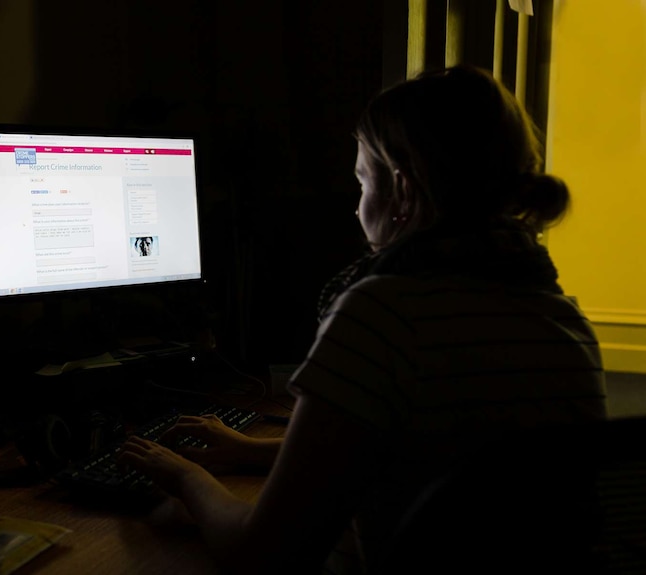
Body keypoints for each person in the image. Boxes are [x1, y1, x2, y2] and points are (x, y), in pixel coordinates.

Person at [118, 65, 607, 574]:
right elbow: (430, 452)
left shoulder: (383, 315)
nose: (356, 210)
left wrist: (183, 478)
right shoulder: (562, 319)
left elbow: (260, 555)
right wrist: (252, 449)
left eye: (361, 183)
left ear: (401, 188)